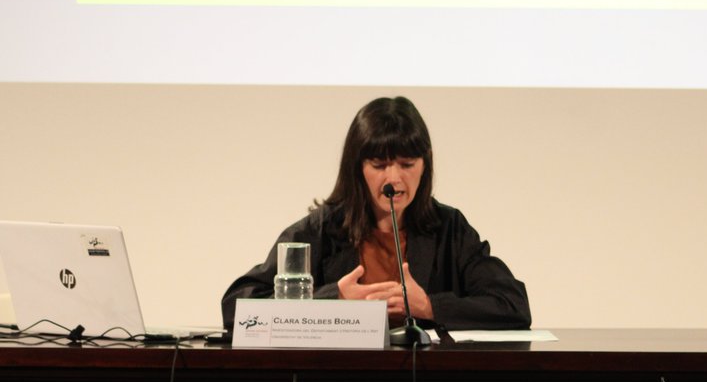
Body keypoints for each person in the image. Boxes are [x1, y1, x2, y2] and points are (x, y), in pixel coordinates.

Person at [221, 96, 531, 332]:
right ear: (357, 167)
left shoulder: (449, 229)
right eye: (379, 166)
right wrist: (333, 301)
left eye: (407, 165)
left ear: (426, 165)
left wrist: (431, 307)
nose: (394, 179)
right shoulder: (319, 231)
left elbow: (513, 306)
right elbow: (236, 308)